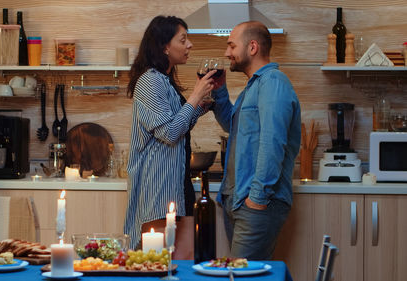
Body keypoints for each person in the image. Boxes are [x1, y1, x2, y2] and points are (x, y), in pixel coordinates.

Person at [123, 15, 216, 252]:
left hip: (176, 183)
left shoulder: (164, 80)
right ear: (165, 46)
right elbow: (171, 132)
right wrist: (195, 97)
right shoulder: (150, 81)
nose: (189, 45)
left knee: (178, 260)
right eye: (183, 40)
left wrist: (202, 105)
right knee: (156, 262)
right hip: (158, 191)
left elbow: (178, 125)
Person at [211, 21, 301, 260]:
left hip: (257, 203)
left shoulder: (273, 82)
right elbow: (233, 124)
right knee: (242, 274)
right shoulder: (253, 86)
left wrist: (257, 199)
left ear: (252, 47)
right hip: (239, 201)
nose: (226, 52)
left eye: (231, 45)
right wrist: (220, 91)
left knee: (243, 277)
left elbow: (273, 143)